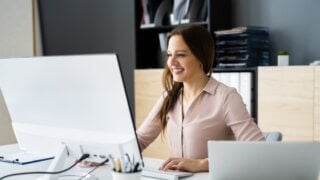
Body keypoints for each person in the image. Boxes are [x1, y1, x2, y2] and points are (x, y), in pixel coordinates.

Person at [136, 24, 265, 173]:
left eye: (181, 55)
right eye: (170, 55)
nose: (171, 63)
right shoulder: (169, 97)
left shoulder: (226, 97)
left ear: (200, 58)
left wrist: (202, 164)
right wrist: (105, 155)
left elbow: (258, 149)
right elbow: (139, 140)